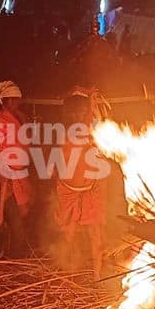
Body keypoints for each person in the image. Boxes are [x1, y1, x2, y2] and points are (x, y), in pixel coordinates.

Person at [54, 87, 108, 279]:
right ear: (68, 113)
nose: (78, 115)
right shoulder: (64, 133)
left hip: (90, 189)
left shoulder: (89, 132)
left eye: (82, 111)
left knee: (95, 234)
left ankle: (97, 276)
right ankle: (69, 272)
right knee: (69, 234)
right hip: (68, 190)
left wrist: (91, 100)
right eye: (75, 111)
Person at [0, 81, 34, 257]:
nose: (16, 103)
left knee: (23, 212)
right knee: (8, 217)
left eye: (17, 100)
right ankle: (7, 255)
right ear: (4, 101)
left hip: (20, 175)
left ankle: (11, 251)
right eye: (12, 100)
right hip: (5, 178)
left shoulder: (19, 118)